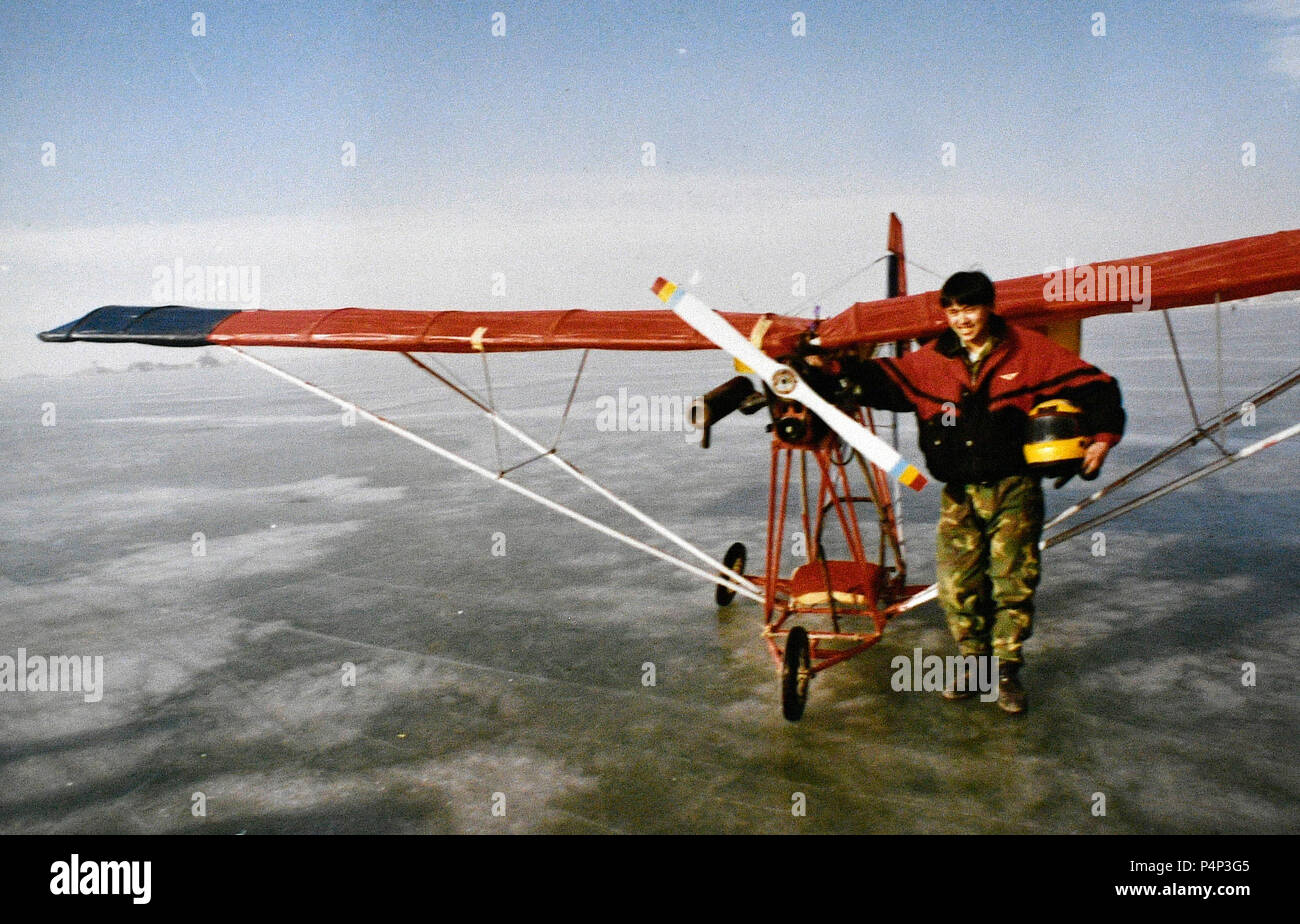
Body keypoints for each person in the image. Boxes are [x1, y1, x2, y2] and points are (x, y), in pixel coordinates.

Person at [810, 270, 1125, 714]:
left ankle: (1007, 674)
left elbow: (1097, 386)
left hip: (1013, 487)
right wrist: (829, 368)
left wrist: (1103, 436)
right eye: (953, 311)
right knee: (957, 586)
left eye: (970, 309)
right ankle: (973, 665)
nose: (961, 320)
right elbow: (879, 380)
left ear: (989, 307)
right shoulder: (931, 360)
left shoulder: (1028, 351)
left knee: (1012, 583)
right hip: (959, 491)